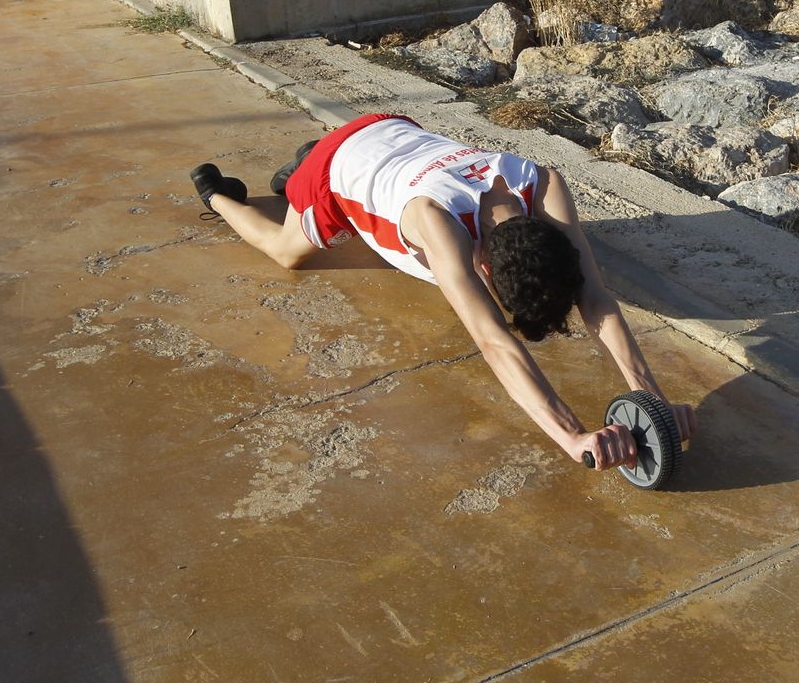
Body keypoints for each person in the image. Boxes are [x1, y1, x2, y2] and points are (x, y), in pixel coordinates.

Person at [190, 113, 696, 472]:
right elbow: (494, 341)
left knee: (317, 184)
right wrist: (571, 436)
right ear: (484, 268)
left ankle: (298, 169)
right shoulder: (434, 221)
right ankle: (219, 194)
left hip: (393, 132)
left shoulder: (541, 182)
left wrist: (653, 401)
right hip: (342, 162)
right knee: (287, 251)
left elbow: (596, 297)